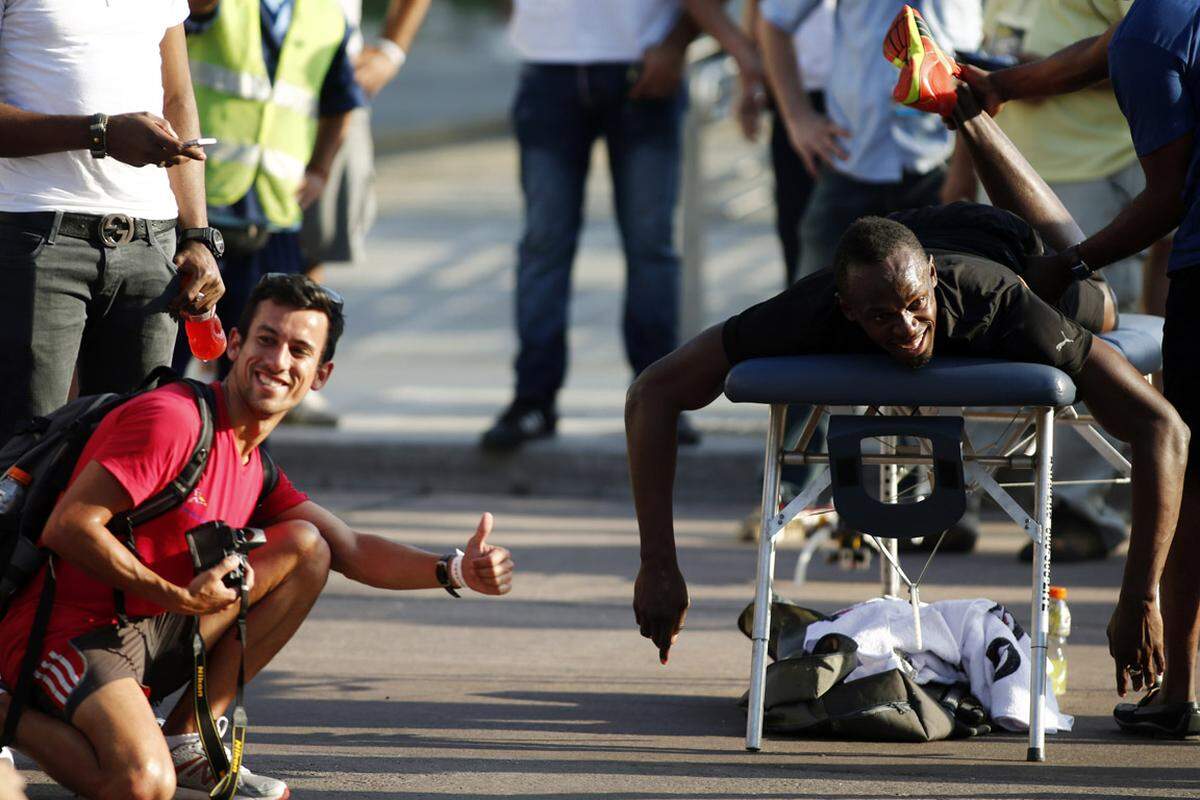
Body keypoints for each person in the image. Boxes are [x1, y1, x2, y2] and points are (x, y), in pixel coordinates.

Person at [626, 83, 1196, 736]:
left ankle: (973, 121)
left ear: (929, 281)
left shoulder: (996, 302)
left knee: (1083, 283)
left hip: (1001, 247)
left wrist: (1138, 597)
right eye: (879, 317)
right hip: (907, 235)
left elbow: (1163, 427)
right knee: (913, 284)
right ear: (846, 312)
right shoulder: (814, 307)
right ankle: (967, 121)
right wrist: (657, 564)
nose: (903, 328)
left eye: (914, 307)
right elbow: (654, 392)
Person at [0, 274, 516, 799]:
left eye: (299, 350)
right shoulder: (173, 420)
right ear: (235, 344)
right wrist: (177, 595)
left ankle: (188, 740)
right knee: (142, 785)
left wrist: (456, 569)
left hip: (153, 621)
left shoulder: (254, 462)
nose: (278, 361)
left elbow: (352, 549)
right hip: (69, 630)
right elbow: (68, 526)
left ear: (320, 374)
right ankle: (5, 712)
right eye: (266, 340)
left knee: (307, 548)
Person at [955, 0, 1200, 735]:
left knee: (1197, 486)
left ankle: (1177, 690)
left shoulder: (1155, 34)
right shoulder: (1164, 20)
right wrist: (1006, 85)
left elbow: (1165, 200)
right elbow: (1102, 51)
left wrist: (1070, 262)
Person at [480, 0, 702, 452]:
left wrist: (678, 42)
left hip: (644, 64)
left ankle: (660, 399)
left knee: (651, 247)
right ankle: (533, 399)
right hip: (548, 68)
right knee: (544, 244)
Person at [0, 0, 224, 447]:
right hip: (35, 234)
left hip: (150, 241)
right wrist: (98, 133)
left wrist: (198, 235)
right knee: (25, 453)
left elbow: (177, 99)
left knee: (135, 455)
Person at [177, 0, 366, 382]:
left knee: (256, 366)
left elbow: (342, 100)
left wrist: (320, 169)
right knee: (165, 361)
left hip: (274, 217)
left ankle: (239, 444)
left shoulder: (327, 15)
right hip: (198, 214)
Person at [757, 0, 982, 280]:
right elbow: (775, 20)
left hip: (939, 165)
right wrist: (798, 117)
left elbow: (980, 56)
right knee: (809, 304)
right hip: (851, 161)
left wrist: (965, 166)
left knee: (941, 298)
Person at [292, 0, 431, 427]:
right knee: (214, 238)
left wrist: (391, 50)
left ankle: (295, 379)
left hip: (325, 76)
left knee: (312, 245)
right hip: (230, 73)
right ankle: (207, 378)